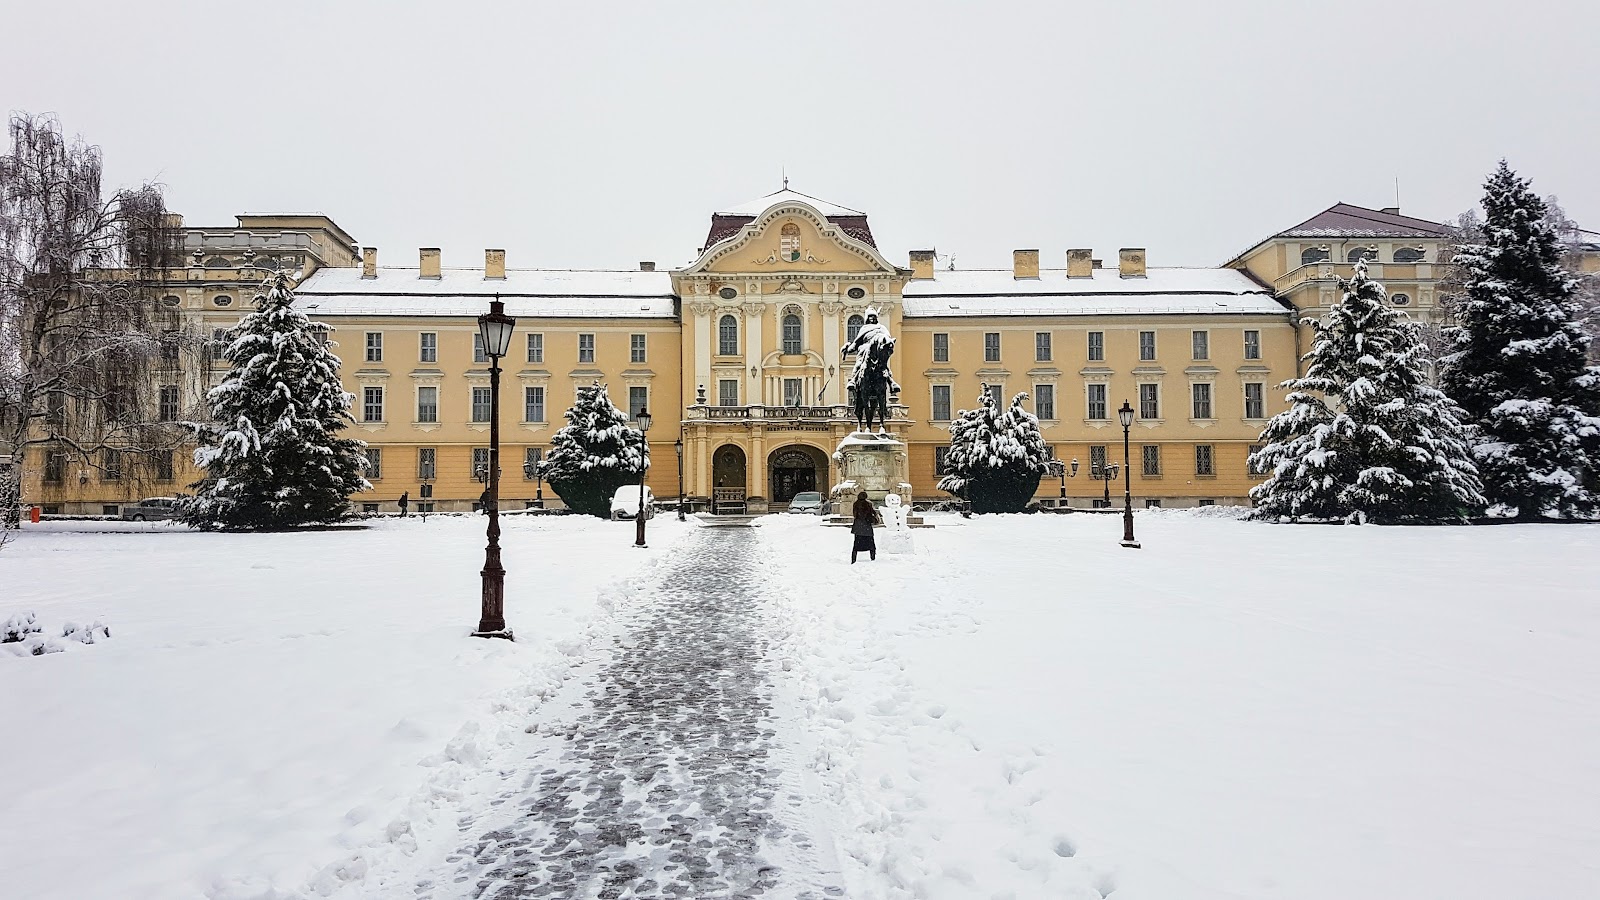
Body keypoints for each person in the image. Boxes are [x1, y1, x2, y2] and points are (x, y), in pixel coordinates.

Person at [850, 491, 881, 564]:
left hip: (858, 526)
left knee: (856, 544)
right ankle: (872, 557)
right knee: (870, 543)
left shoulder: (855, 504)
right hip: (866, 526)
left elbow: (855, 514)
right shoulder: (868, 504)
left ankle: (854, 558)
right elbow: (872, 513)